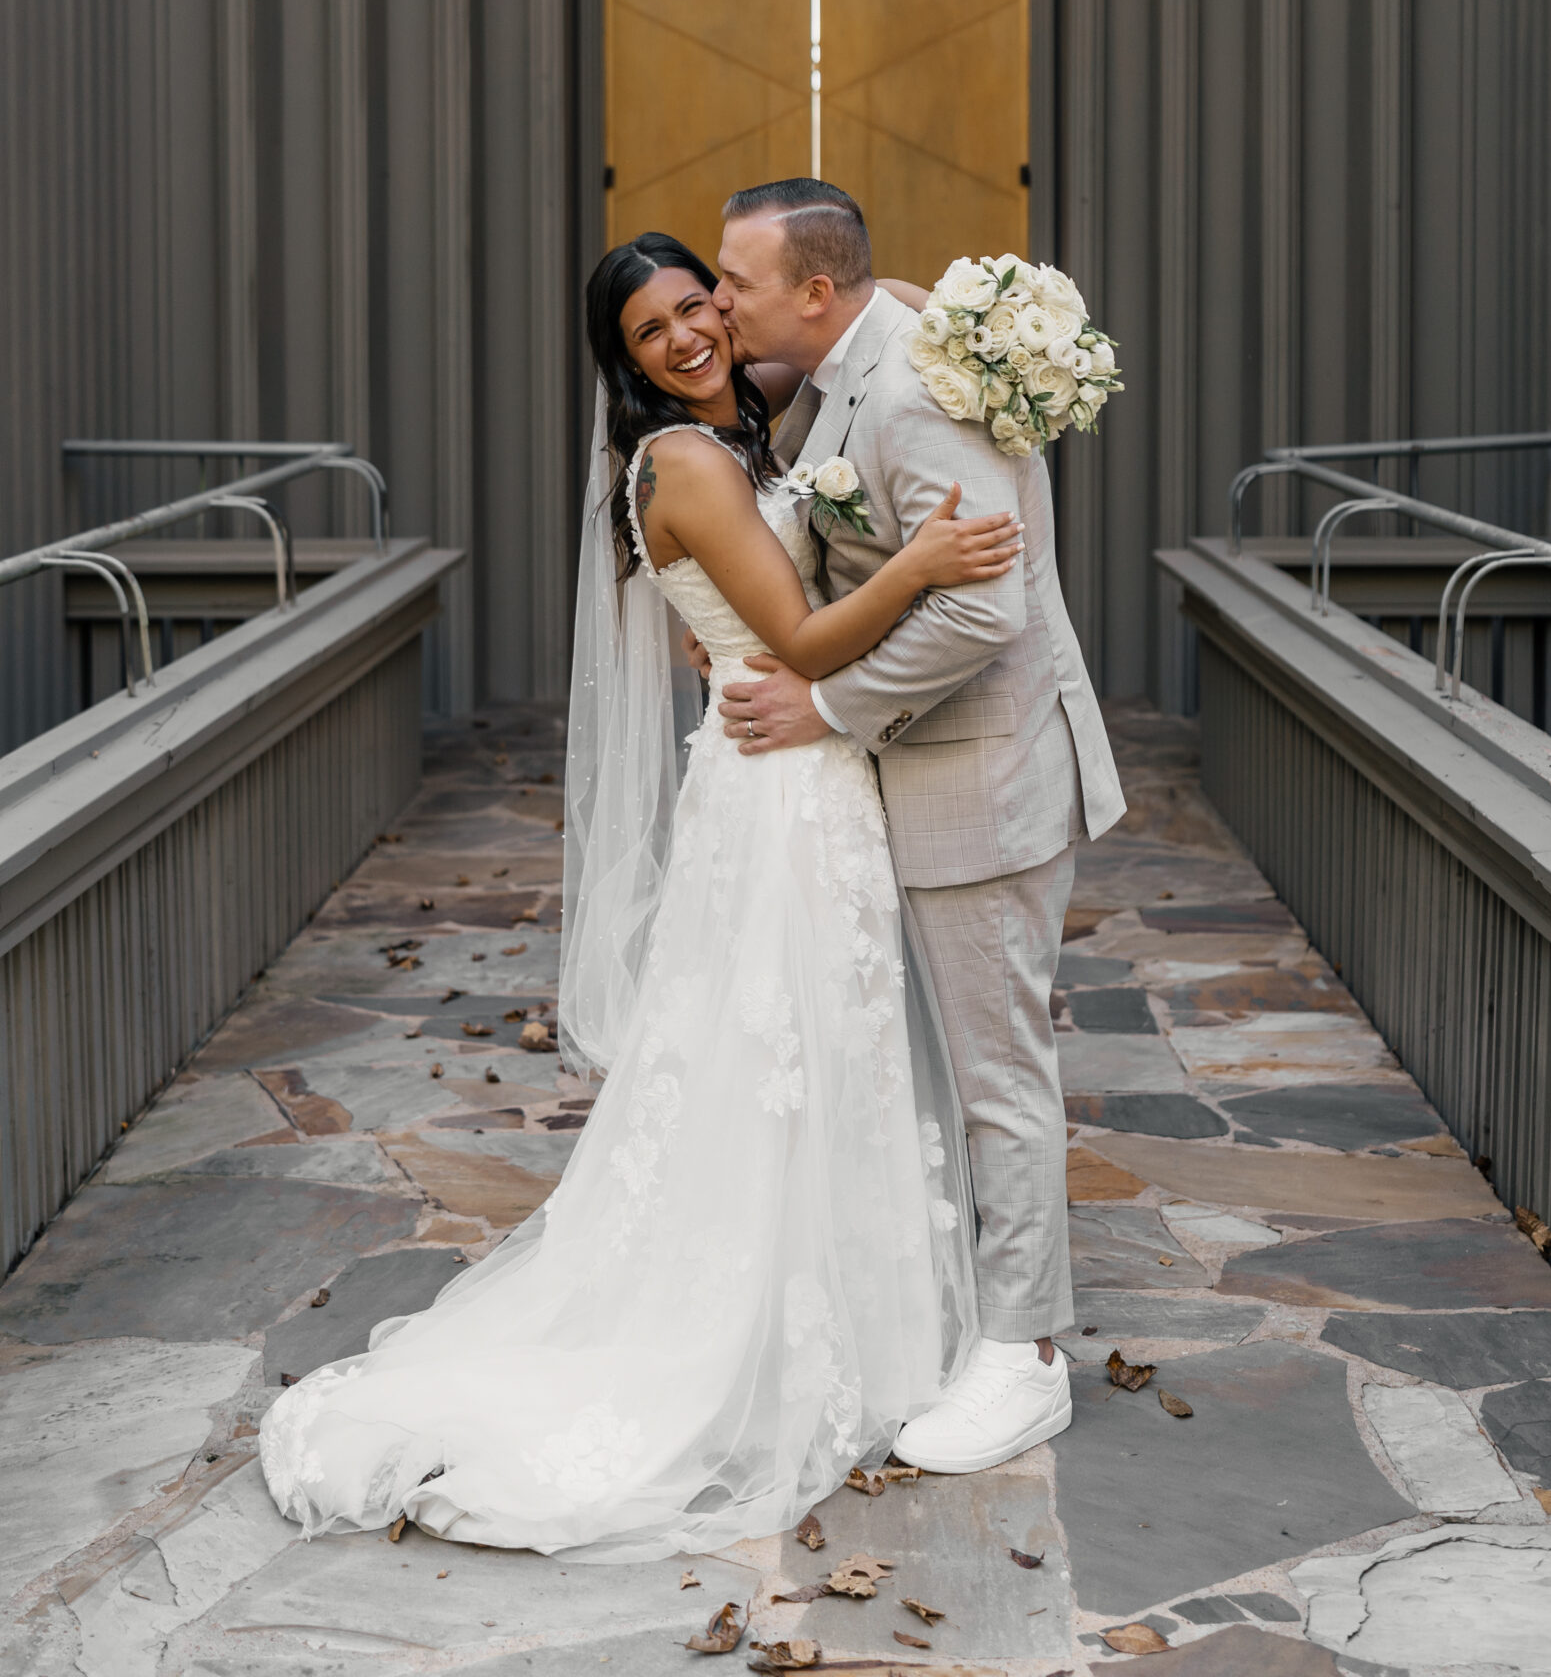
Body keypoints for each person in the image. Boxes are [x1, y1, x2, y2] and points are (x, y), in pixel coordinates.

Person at [258, 230, 1020, 1560]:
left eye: (696, 305)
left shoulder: (768, 433)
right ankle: (750, 1335)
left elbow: (876, 307)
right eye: (650, 332)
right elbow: (798, 638)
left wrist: (909, 299)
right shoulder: (681, 460)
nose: (685, 337)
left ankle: (858, 1314)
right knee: (770, 1051)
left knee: (823, 1051)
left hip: (809, 779)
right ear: (625, 366)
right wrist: (924, 564)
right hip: (781, 787)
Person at [709, 179, 1124, 1474]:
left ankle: (1025, 1357)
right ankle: (972, 1309)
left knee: (1001, 1076)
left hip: (982, 781)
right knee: (954, 1066)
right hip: (936, 774)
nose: (721, 300)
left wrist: (828, 703)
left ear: (814, 293)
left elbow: (984, 613)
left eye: (739, 279)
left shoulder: (910, 393)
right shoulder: (862, 355)